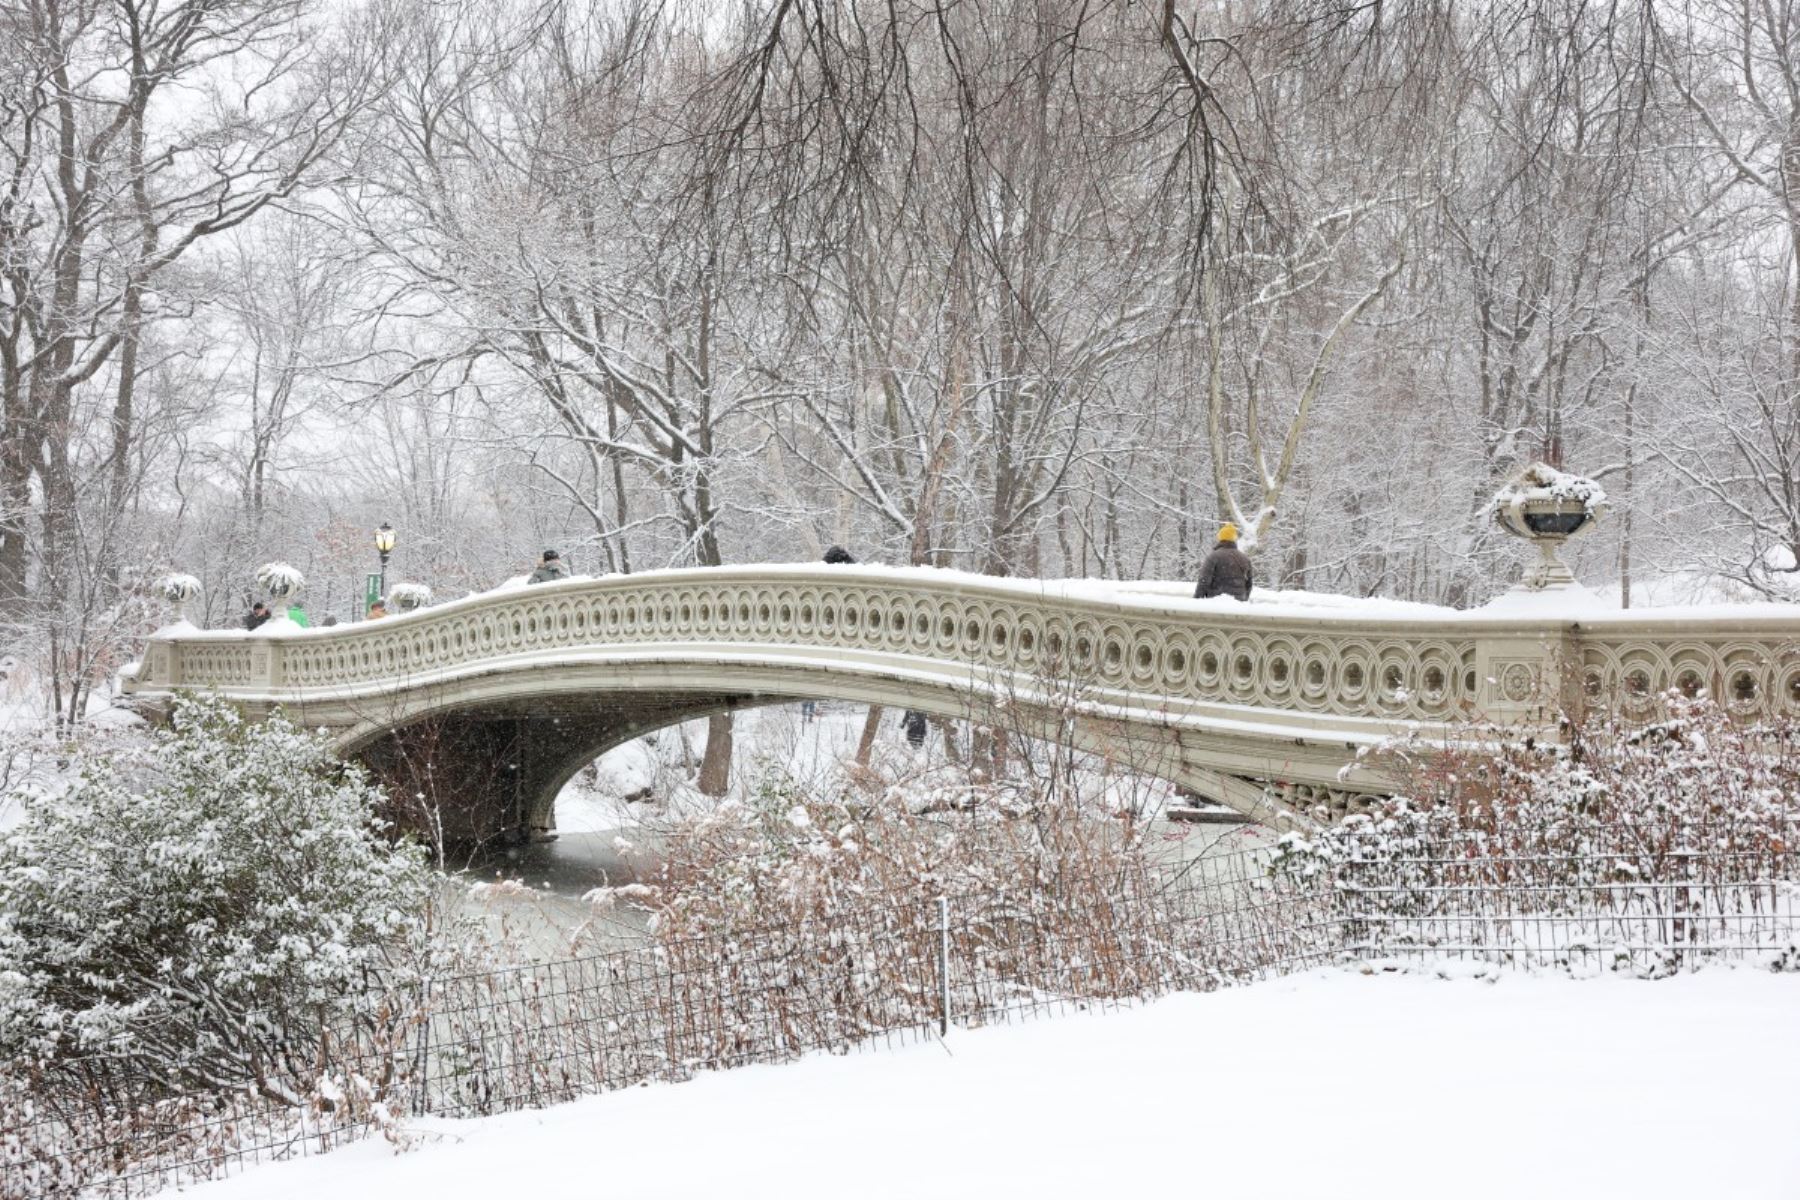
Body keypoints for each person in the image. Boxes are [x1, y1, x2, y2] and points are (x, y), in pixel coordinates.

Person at [1194, 522, 1253, 602]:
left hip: (1216, 604)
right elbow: (1249, 584)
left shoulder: (1213, 557)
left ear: (1220, 538)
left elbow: (1203, 581)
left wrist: (1197, 600)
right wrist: (1243, 599)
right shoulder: (1245, 559)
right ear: (1234, 540)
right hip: (1238, 606)